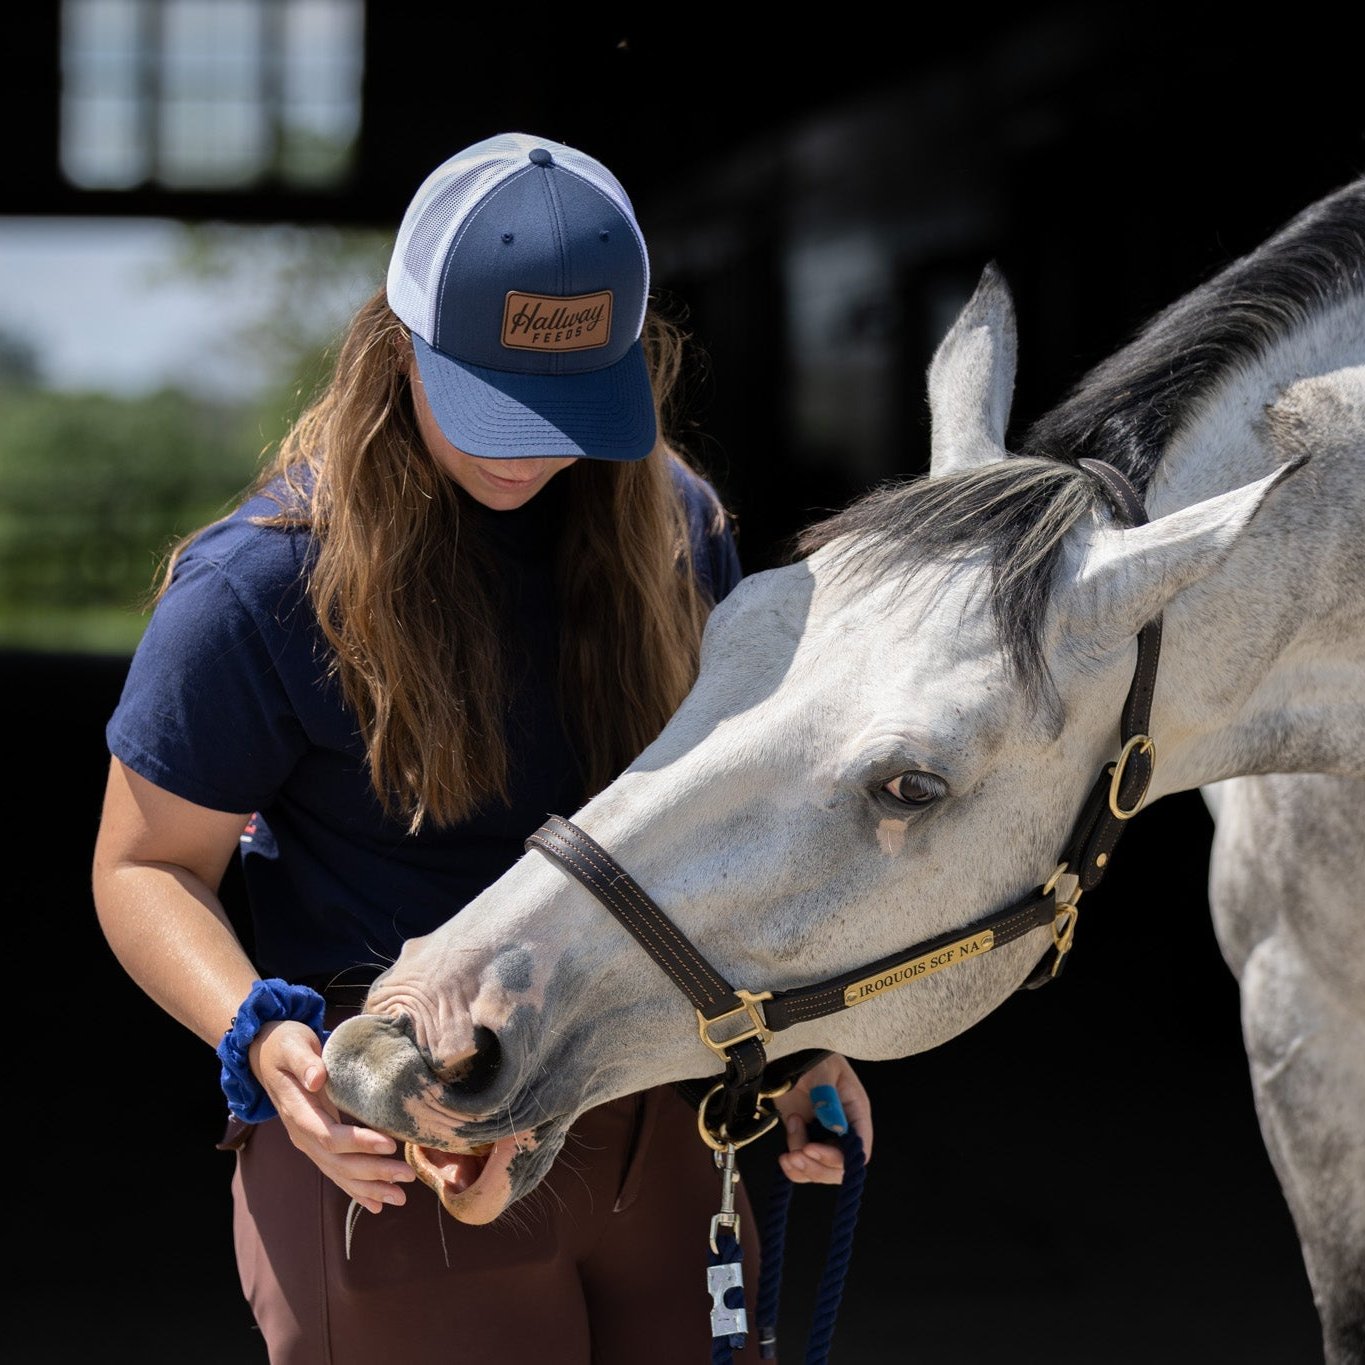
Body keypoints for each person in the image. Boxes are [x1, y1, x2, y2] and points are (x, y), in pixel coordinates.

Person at [91, 131, 873, 1365]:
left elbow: (720, 821)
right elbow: (142, 867)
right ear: (396, 348)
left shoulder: (676, 530)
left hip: (638, 1101)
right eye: (489, 404)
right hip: (401, 1129)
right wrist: (259, 1032)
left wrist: (789, 1045)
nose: (526, 449)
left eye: (568, 411)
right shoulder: (258, 589)